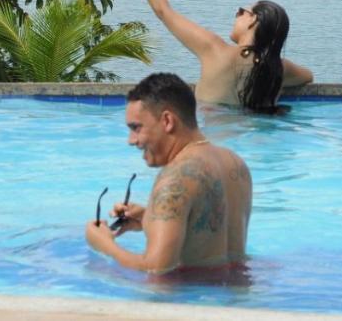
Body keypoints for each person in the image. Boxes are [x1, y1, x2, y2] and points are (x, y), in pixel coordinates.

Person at [85, 72, 251, 273]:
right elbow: (212, 237)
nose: (131, 140)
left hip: (192, 300)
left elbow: (156, 271)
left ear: (167, 121)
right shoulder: (235, 163)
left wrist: (105, 245)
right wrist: (150, 218)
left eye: (136, 128)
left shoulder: (174, 179)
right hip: (237, 296)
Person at [132, 0, 313, 112]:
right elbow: (307, 77)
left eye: (241, 11)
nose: (236, 16)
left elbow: (163, 11)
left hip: (216, 138)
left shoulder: (214, 50)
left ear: (253, 21)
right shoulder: (279, 68)